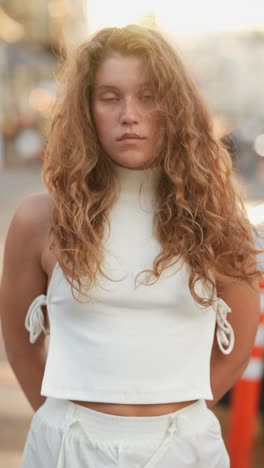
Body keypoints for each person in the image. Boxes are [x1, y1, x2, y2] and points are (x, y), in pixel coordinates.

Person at [0, 24, 262, 468]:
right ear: (87, 109)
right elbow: (19, 343)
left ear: (175, 107)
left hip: (185, 448)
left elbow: (237, 345)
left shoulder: (218, 220)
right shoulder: (39, 218)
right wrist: (67, 420)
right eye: (109, 97)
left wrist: (174, 418)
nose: (129, 114)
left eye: (148, 96)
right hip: (68, 446)